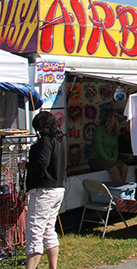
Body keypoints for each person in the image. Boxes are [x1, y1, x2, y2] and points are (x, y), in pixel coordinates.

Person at [24, 111, 66, 269]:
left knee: (34, 231)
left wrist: (26, 166)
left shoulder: (46, 141)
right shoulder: (61, 140)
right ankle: (53, 267)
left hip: (44, 191)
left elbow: (41, 164)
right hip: (58, 189)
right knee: (49, 230)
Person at [89, 109, 128, 182]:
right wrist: (108, 159)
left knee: (124, 167)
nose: (116, 119)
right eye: (115, 117)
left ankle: (123, 187)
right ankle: (118, 189)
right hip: (96, 159)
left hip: (110, 159)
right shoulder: (100, 129)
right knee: (114, 170)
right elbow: (99, 147)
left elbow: (116, 147)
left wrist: (114, 157)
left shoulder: (114, 131)